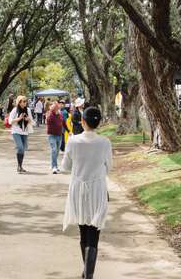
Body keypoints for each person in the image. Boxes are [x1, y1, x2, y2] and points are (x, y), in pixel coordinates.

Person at [61, 106, 112, 279]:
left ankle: (87, 273)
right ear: (98, 123)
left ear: (83, 121)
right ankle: (88, 274)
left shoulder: (73, 141)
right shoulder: (105, 142)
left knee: (83, 230)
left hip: (78, 189)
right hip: (97, 189)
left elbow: (65, 167)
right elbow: (109, 167)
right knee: (94, 232)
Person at [8, 95, 33, 173]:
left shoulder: (28, 110)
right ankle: (19, 167)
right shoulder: (15, 110)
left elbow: (32, 121)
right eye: (24, 101)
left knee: (23, 149)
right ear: (19, 102)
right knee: (20, 147)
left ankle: (20, 166)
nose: (25, 103)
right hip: (16, 131)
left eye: (26, 101)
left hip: (24, 131)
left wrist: (28, 119)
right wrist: (19, 118)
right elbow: (10, 121)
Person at [46, 102, 64, 174]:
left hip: (59, 135)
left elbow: (63, 122)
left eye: (58, 108)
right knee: (54, 150)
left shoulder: (60, 115)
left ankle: (52, 164)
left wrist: (68, 130)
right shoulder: (50, 114)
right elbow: (48, 121)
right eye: (55, 108)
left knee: (56, 151)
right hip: (52, 135)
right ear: (53, 109)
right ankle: (54, 167)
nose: (57, 109)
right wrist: (51, 113)